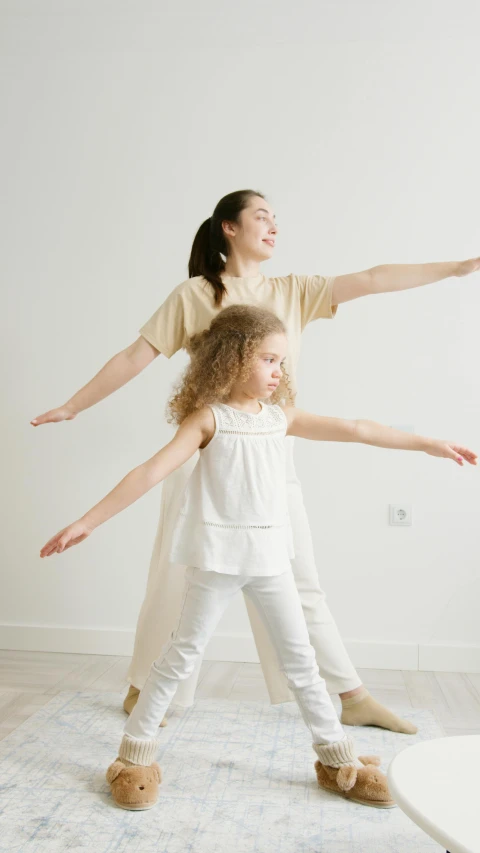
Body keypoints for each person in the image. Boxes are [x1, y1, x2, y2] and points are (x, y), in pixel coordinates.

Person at [31, 189, 480, 736]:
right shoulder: (194, 295)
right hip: (203, 451)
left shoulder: (296, 291)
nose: (273, 226)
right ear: (228, 227)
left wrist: (458, 268)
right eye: (261, 217)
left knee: (301, 578)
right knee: (177, 576)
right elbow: (133, 357)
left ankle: (350, 694)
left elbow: (375, 277)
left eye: (276, 219)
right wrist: (73, 406)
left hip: (270, 450)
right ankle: (142, 687)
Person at [40, 305, 476, 811]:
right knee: (180, 656)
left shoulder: (281, 418)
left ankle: (338, 761)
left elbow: (357, 428)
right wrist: (88, 521)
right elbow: (150, 471)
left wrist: (427, 444)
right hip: (218, 560)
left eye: (281, 362)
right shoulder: (208, 420)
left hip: (271, 560)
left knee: (302, 664)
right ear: (231, 359)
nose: (278, 372)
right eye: (268, 360)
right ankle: (134, 758)